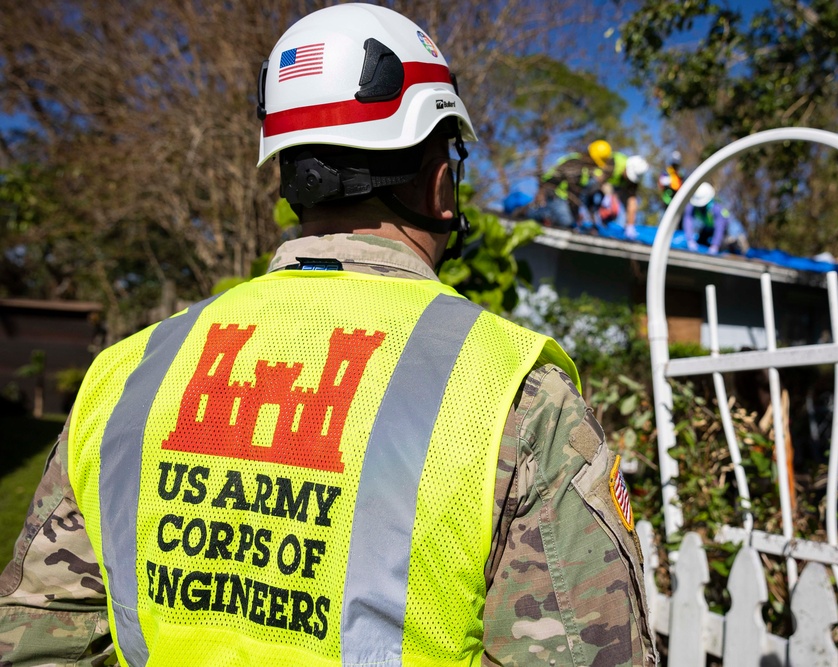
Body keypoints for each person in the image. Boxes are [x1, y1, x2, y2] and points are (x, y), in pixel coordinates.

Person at [0, 5, 657, 666]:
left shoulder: (126, 374)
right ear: (439, 181)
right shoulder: (516, 395)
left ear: (292, 175)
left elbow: (37, 640)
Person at [526, 140, 610, 230]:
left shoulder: (586, 170)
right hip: (556, 195)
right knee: (565, 222)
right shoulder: (574, 163)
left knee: (572, 225)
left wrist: (576, 213)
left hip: (566, 200)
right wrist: (542, 193)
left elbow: (577, 194)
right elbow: (553, 179)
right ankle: (530, 213)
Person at [682, 182, 749, 255]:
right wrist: (690, 240)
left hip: (729, 227)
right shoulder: (693, 207)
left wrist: (715, 245)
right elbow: (687, 220)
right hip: (710, 227)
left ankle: (738, 244)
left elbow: (720, 227)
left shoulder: (716, 208)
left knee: (731, 241)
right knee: (701, 240)